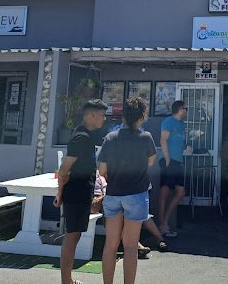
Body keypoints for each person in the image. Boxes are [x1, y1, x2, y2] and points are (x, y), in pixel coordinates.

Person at [98, 96, 156, 284]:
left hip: (114, 194)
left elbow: (102, 170)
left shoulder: (110, 138)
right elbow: (151, 161)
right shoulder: (145, 137)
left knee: (110, 246)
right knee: (131, 246)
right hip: (137, 194)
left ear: (123, 117)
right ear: (142, 117)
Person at [54, 99, 107, 284]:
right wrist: (60, 193)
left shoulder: (87, 136)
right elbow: (64, 168)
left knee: (75, 236)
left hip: (82, 192)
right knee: (72, 236)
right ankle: (66, 281)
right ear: (91, 115)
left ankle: (68, 279)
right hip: (76, 193)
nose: (104, 119)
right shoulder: (81, 137)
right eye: (101, 115)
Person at [158, 100, 190, 237]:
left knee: (181, 191)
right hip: (168, 161)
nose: (187, 111)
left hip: (178, 162)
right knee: (164, 192)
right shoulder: (168, 121)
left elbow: (179, 142)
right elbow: (163, 140)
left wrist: (187, 148)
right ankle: (162, 225)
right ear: (180, 109)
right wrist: (167, 159)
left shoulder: (182, 125)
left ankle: (164, 221)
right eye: (186, 108)